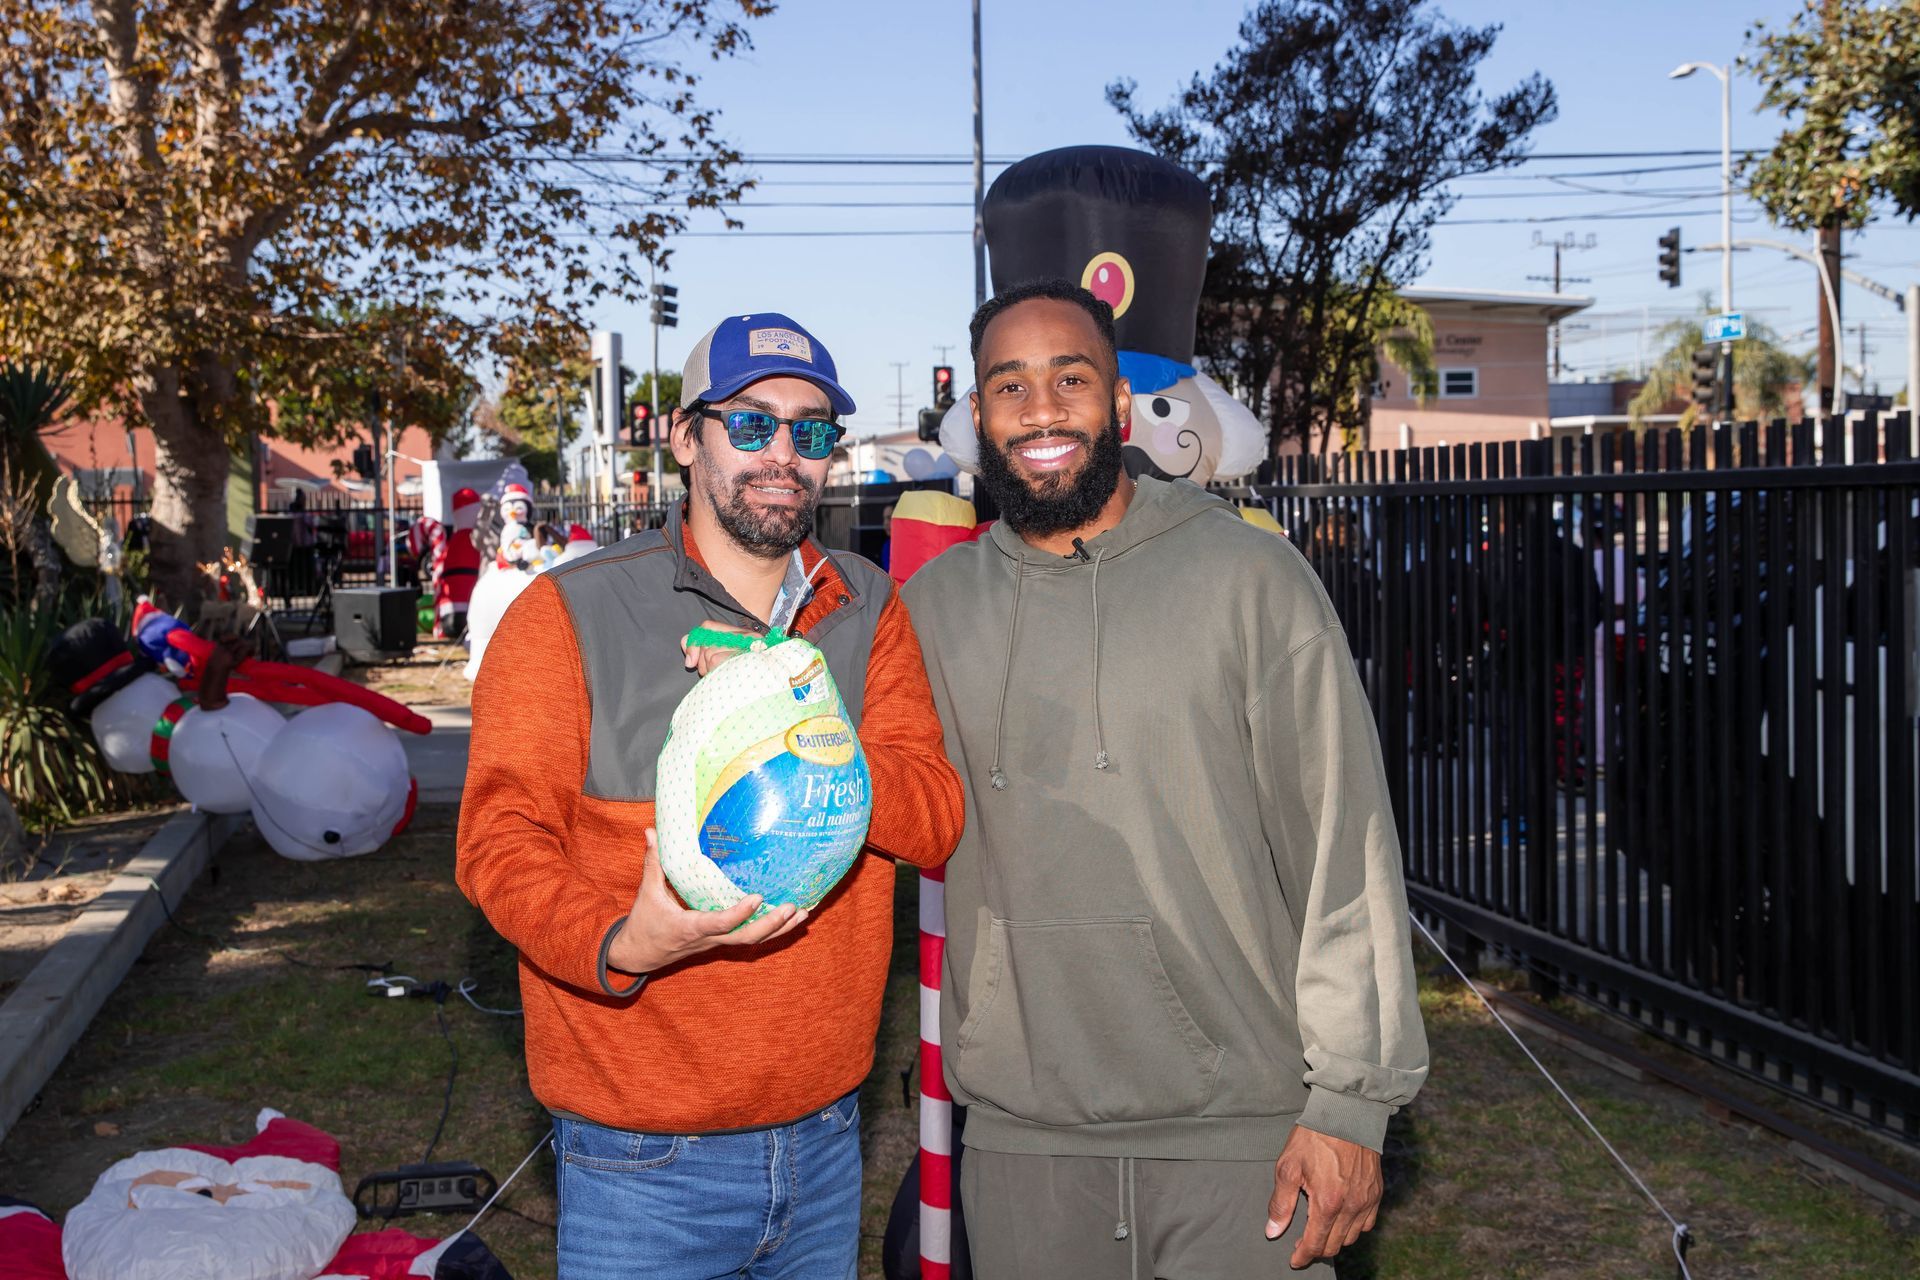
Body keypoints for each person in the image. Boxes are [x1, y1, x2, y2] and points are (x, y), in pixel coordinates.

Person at [902, 279, 1429, 1278]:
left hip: (1247, 1142)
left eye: (1071, 377)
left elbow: (1340, 851)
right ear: (977, 416)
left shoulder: (1250, 579)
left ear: (1118, 402)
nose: (1042, 407)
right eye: (1009, 385)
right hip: (1025, 1148)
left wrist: (1354, 1104)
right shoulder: (932, 610)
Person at [456, 310, 965, 1280]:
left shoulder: (865, 607)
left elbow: (936, 813)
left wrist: (805, 715)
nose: (784, 454)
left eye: (812, 431)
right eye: (751, 424)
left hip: (825, 1143)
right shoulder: (566, 613)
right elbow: (498, 842)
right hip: (638, 1161)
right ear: (685, 436)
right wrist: (619, 942)